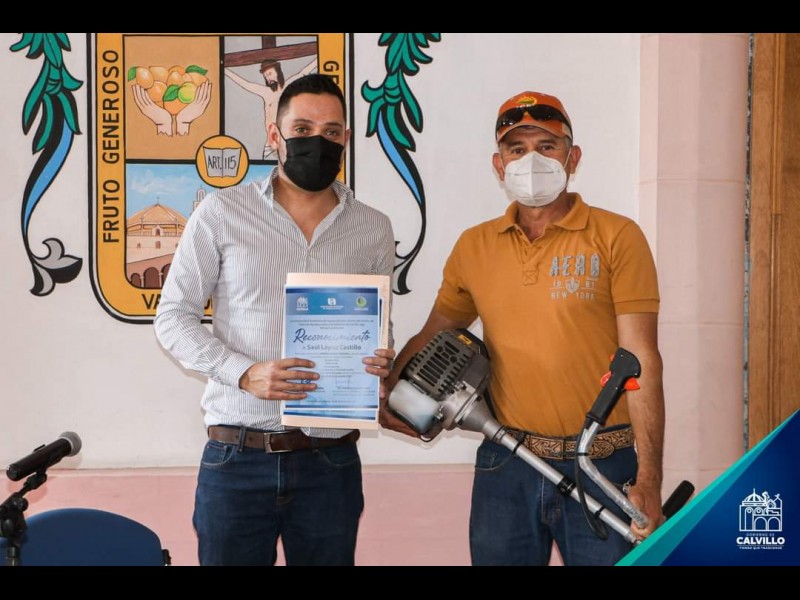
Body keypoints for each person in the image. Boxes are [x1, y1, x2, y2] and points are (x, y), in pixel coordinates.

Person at [383, 91, 665, 566]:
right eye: (517, 149)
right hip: (506, 462)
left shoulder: (617, 236)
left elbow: (643, 361)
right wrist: (386, 394)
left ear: (573, 158)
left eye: (547, 146)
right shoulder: (474, 247)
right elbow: (435, 333)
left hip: (603, 463)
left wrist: (650, 481)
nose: (531, 159)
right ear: (499, 165)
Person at [155, 74, 396, 566]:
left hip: (330, 462)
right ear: (274, 135)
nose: (317, 141)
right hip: (237, 459)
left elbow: (378, 327)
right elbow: (173, 318)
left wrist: (378, 364)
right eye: (302, 128)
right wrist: (244, 372)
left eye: (331, 132)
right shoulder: (222, 212)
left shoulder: (373, 228)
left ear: (346, 140)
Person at [225, 57, 318, 159]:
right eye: (265, 76)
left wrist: (320, 57)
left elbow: (303, 72)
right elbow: (246, 84)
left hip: (288, 140)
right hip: (271, 143)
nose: (268, 78)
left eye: (270, 74)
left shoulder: (288, 87)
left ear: (278, 72)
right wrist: (224, 70)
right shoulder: (266, 92)